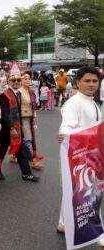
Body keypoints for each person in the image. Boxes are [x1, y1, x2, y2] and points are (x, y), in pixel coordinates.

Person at [57, 66, 104, 248]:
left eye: (94, 81)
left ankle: (62, 223)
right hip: (79, 159)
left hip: (93, 156)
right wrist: (64, 134)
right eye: (87, 81)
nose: (91, 84)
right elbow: (67, 127)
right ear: (77, 83)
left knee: (73, 193)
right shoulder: (74, 103)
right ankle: (98, 235)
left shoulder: (92, 102)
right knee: (90, 195)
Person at [0, 63, 40, 182]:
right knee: (1, 151)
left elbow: (19, 112)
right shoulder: (4, 95)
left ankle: (26, 173)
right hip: (7, 128)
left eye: (18, 80)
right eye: (14, 80)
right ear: (9, 82)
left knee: (21, 150)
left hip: (17, 125)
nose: (16, 82)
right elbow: (5, 114)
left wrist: (19, 126)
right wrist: (11, 128)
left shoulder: (19, 93)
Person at [19, 73, 43, 169]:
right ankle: (33, 160)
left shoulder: (30, 91)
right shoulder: (19, 92)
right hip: (22, 118)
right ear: (21, 81)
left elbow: (32, 105)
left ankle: (12, 155)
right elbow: (15, 106)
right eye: (25, 79)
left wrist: (34, 114)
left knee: (27, 139)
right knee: (27, 139)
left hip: (29, 117)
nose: (28, 80)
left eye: (29, 78)